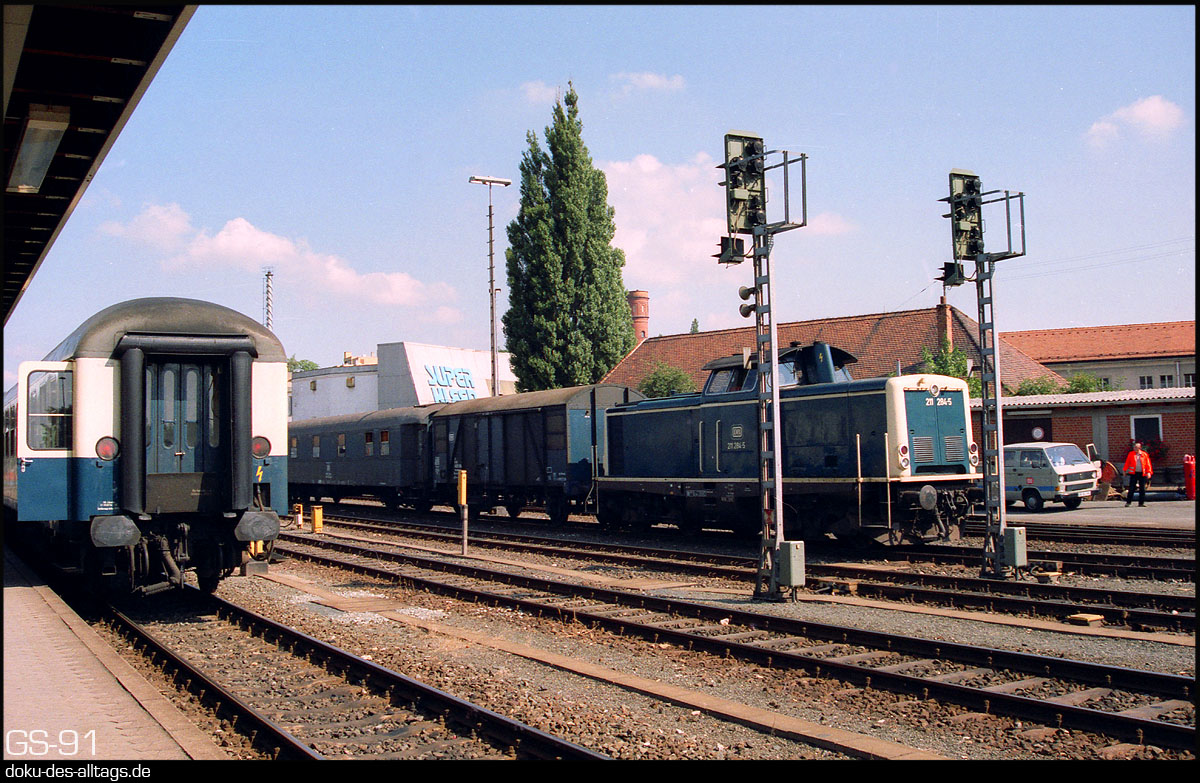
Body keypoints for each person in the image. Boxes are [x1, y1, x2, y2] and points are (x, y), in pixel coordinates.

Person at [1123, 442, 1153, 507]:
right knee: (1131, 488)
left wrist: (1149, 472)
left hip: (1142, 473)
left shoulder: (1144, 455)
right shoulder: (1131, 454)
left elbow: (1148, 464)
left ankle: (1141, 503)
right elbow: (1127, 462)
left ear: (1139, 448)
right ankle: (1128, 502)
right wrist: (1125, 470)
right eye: (1134, 447)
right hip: (1133, 473)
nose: (1134, 448)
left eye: (1136, 447)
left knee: (1142, 488)